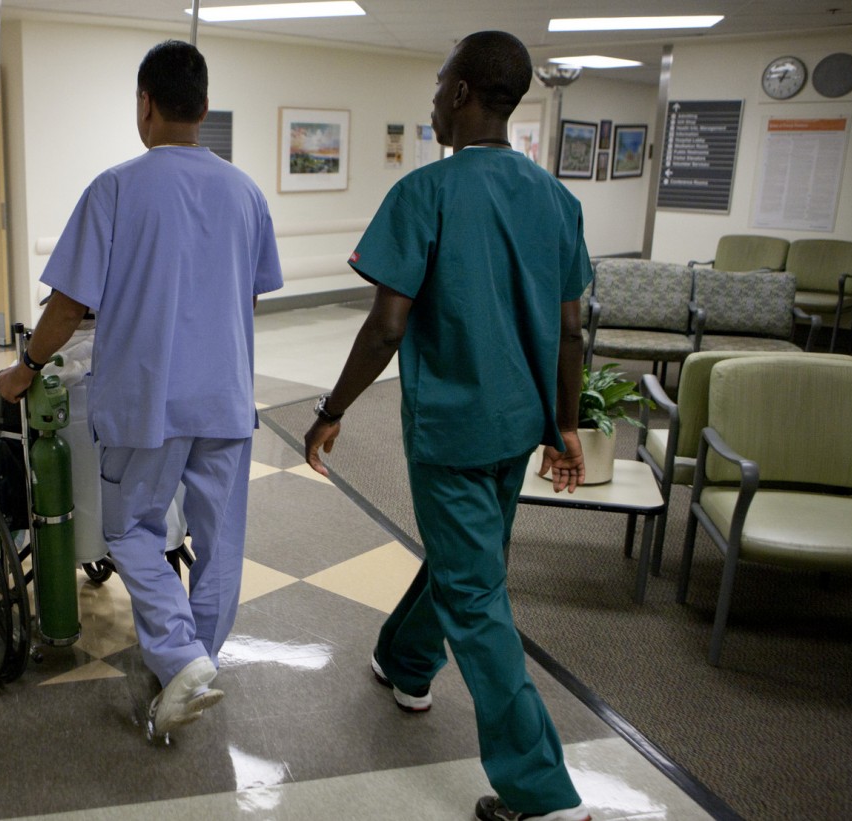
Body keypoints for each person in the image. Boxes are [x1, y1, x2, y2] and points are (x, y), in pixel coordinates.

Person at [301, 31, 592, 821]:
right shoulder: (557, 201)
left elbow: (387, 327)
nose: (431, 99)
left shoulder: (424, 194)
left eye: (438, 85)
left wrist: (331, 411)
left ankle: (543, 795)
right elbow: (571, 331)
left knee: (477, 594)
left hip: (452, 432)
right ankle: (405, 659)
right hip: (517, 428)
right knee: (469, 564)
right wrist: (565, 424)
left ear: (462, 94)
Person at [0, 40, 282, 739]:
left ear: (144, 104)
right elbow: (246, 295)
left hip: (146, 404)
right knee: (218, 542)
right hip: (225, 399)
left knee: (131, 531)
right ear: (205, 109)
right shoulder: (246, 191)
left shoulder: (116, 187)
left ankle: (182, 660)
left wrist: (26, 366)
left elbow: (67, 308)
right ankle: (198, 665)